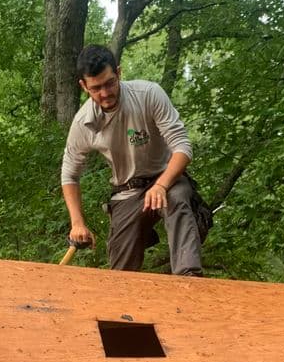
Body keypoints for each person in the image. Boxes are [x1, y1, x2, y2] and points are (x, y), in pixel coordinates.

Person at [61, 44, 203, 275]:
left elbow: (183, 147)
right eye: (96, 88)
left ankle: (189, 280)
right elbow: (69, 175)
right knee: (120, 273)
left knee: (176, 196)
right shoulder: (82, 123)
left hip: (166, 179)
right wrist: (77, 222)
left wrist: (160, 185)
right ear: (84, 86)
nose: (105, 93)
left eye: (109, 83)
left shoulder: (148, 95)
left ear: (119, 72)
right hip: (126, 192)